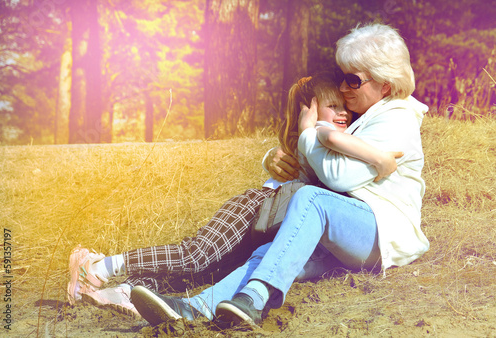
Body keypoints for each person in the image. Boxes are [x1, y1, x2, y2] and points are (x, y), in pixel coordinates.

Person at [130, 22, 430, 328]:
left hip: (383, 235)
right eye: (342, 78)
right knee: (270, 251)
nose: (342, 88)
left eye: (352, 81)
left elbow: (337, 177)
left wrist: (307, 133)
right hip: (351, 229)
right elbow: (319, 166)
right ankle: (195, 307)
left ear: (386, 85)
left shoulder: (397, 119)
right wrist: (274, 158)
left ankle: (253, 299)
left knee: (311, 199)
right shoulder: (371, 115)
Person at [68, 71, 398, 319]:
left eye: (346, 110)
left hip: (274, 227)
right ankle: (99, 266)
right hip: (257, 209)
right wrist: (291, 141)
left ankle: (121, 291)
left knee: (206, 271)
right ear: (309, 112)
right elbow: (308, 157)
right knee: (195, 255)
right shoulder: (314, 139)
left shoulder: (332, 142)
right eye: (333, 106)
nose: (343, 114)